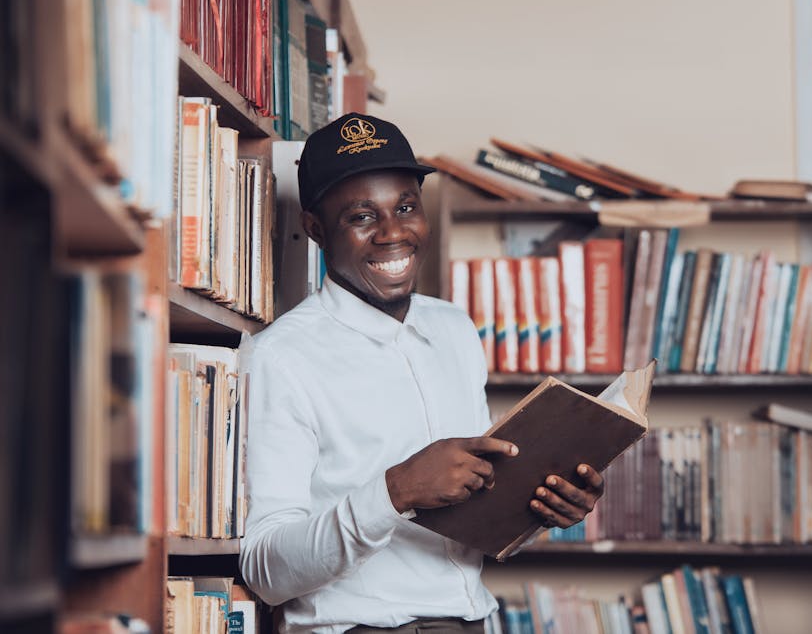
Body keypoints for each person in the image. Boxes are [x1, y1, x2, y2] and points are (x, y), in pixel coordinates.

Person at [239, 113, 605, 634]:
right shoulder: (282, 356)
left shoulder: (454, 328)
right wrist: (395, 492)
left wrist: (545, 506)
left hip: (472, 620)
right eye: (362, 217)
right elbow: (266, 571)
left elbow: (473, 521)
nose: (393, 233)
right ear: (316, 230)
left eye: (406, 208)